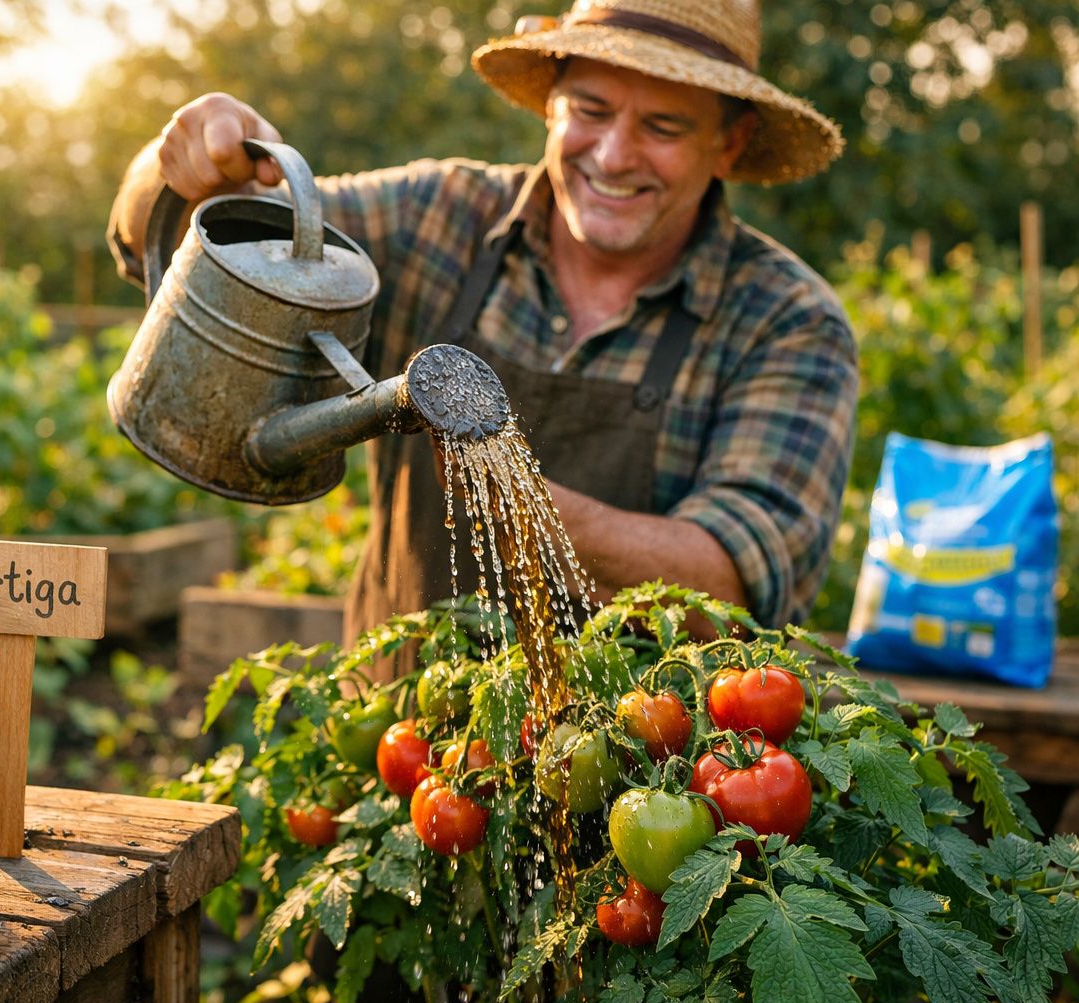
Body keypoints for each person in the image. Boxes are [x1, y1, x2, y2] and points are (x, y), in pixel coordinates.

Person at [108, 0, 859, 654]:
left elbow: (733, 587)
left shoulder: (784, 320)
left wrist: (510, 489)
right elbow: (195, 237)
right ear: (552, 104)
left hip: (641, 800)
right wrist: (174, 161)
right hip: (384, 768)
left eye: (663, 126)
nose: (614, 154)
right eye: (591, 111)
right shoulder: (440, 219)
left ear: (728, 143)